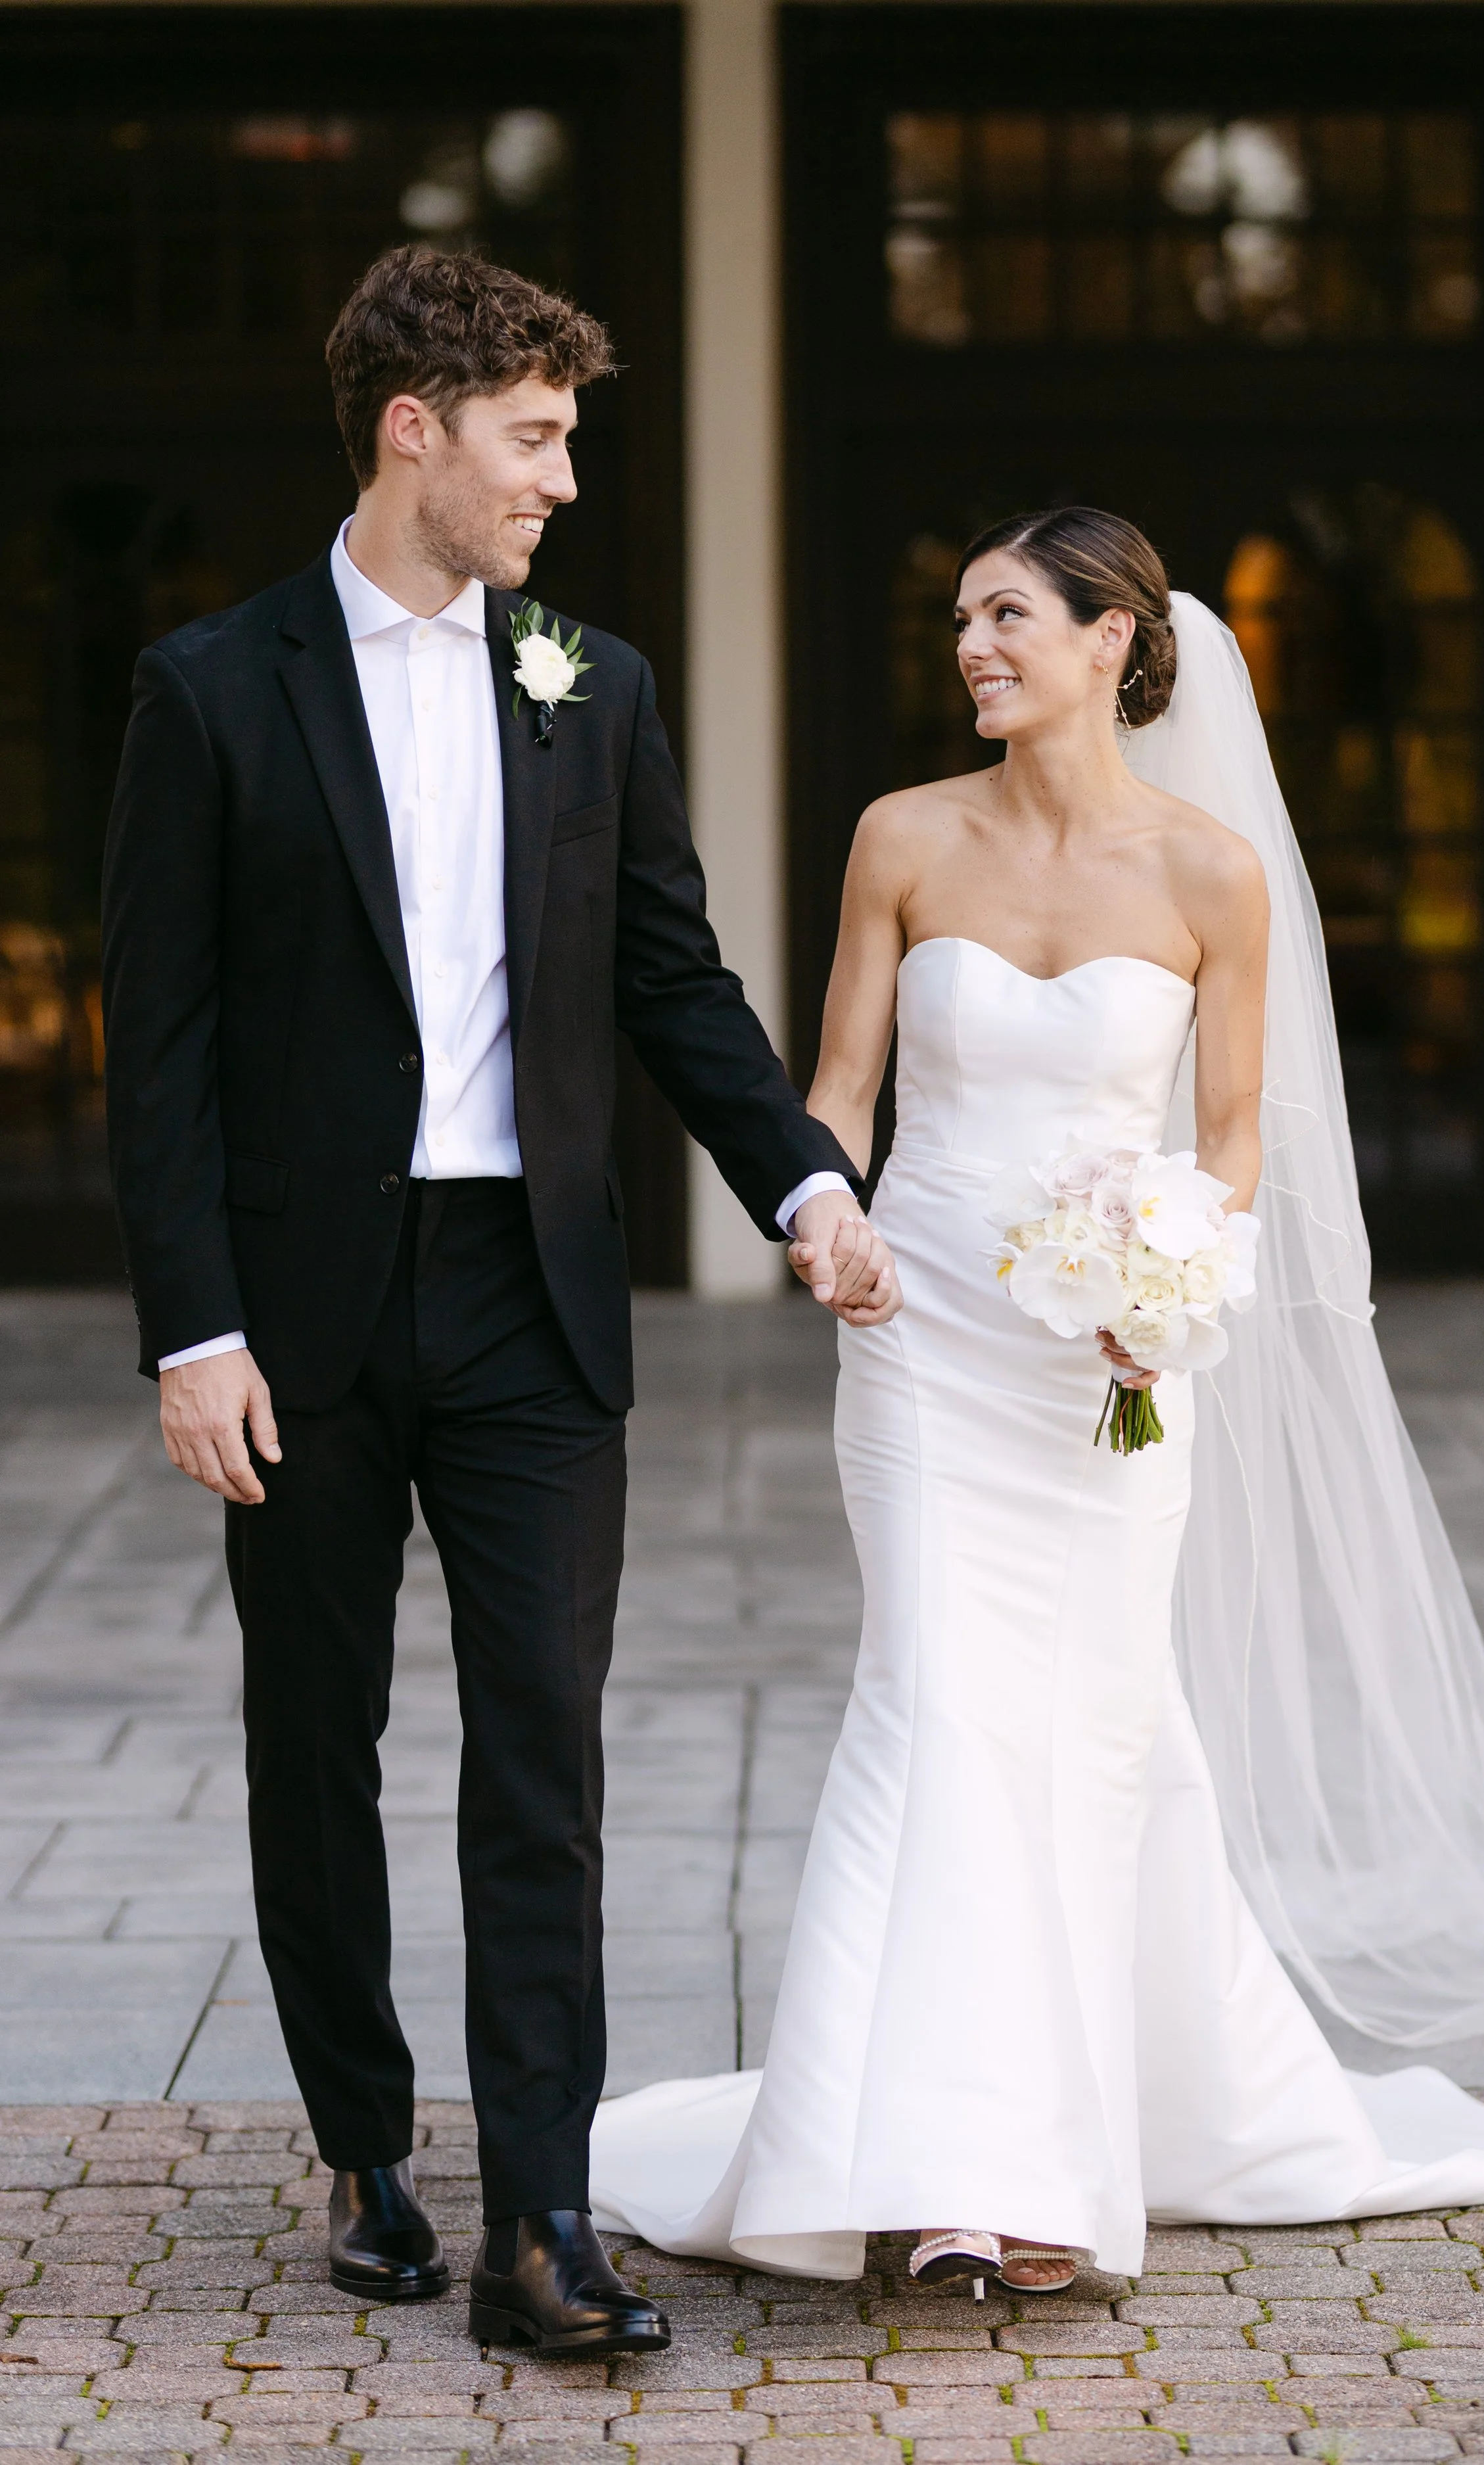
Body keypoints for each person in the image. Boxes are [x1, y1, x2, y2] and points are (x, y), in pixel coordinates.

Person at [586, 504, 1484, 2285]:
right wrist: (819, 1210)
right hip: (924, 1336)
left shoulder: (1210, 873)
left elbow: (1227, 1138)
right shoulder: (901, 837)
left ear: (1112, 643)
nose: (971, 648)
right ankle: (928, 2160)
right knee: (929, 1704)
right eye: (958, 620)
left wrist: (1172, 1287)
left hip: (1107, 1373)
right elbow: (836, 1085)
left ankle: (1062, 2138)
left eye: (1005, 615)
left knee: (1087, 1730)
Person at [99, 244, 900, 2357]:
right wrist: (193, 1329)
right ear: (413, 430)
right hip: (300, 1316)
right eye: (533, 440)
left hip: (534, 1302)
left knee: (542, 1752)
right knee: (315, 1740)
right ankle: (366, 2142)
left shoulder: (588, 682)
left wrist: (803, 1181)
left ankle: (541, 2212)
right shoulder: (210, 686)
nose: (559, 480)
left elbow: (669, 976)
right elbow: (157, 1045)